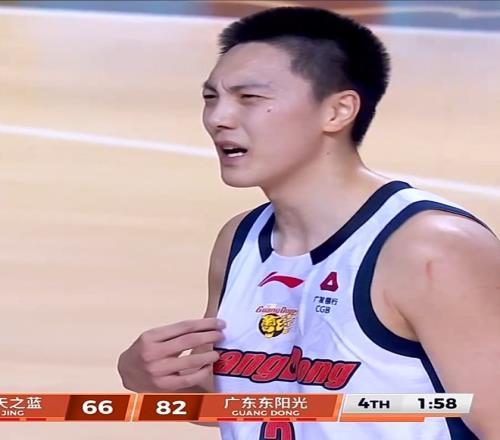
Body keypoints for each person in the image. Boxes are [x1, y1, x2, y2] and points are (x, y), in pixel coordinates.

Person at [117, 6, 500, 439]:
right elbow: (250, 401)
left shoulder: (431, 249)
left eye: (249, 98)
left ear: (338, 111)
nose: (218, 118)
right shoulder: (240, 240)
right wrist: (152, 381)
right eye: (210, 98)